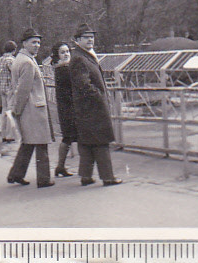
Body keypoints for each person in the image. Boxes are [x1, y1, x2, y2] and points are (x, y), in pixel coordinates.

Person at [69, 23, 122, 186]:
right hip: (91, 108)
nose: (90, 39)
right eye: (86, 37)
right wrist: (99, 96)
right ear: (78, 40)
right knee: (100, 142)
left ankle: (86, 176)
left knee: (87, 143)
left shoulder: (83, 55)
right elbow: (83, 84)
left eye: (92, 37)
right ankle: (108, 177)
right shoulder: (79, 58)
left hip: (86, 108)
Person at [7, 28, 55, 188]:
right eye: (33, 42)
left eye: (39, 42)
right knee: (41, 143)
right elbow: (23, 89)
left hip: (29, 108)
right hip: (33, 108)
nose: (37, 45)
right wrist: (17, 110)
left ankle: (16, 174)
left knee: (28, 142)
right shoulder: (27, 62)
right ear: (24, 43)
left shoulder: (20, 59)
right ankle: (44, 179)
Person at [51, 42, 76, 177]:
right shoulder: (64, 69)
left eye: (67, 51)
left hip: (66, 107)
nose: (66, 54)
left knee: (68, 137)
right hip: (69, 107)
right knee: (70, 137)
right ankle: (61, 166)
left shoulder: (61, 68)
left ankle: (60, 166)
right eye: (62, 52)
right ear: (57, 55)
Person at [0, 40, 17, 142]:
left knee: (4, 111)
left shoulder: (0, 60)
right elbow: (15, 73)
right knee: (10, 111)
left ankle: (3, 134)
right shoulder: (11, 60)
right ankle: (10, 135)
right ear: (14, 50)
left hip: (2, 88)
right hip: (10, 89)